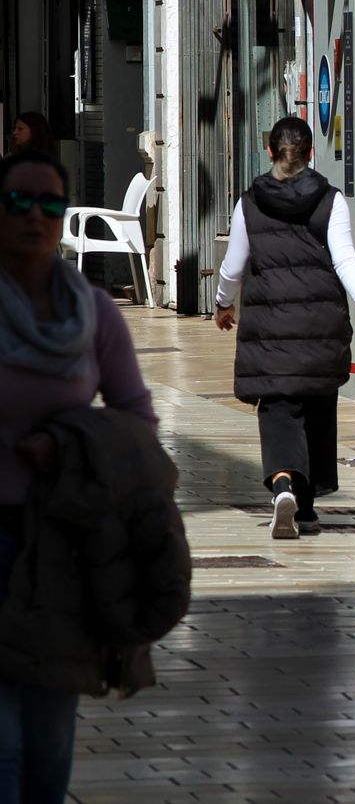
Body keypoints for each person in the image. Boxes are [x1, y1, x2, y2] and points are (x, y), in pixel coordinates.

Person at [0, 149, 157, 802]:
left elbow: (137, 423)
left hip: (61, 544)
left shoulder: (93, 313)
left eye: (50, 203)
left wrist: (71, 446)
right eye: (19, 201)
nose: (35, 216)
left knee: (48, 735)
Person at [214, 117, 355, 540]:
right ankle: (306, 509)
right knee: (317, 408)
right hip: (320, 324)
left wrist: (222, 303)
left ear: (269, 151)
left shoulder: (249, 203)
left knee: (277, 409)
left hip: (270, 327)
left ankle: (283, 486)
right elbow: (345, 258)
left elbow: (232, 267)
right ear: (310, 153)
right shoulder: (330, 200)